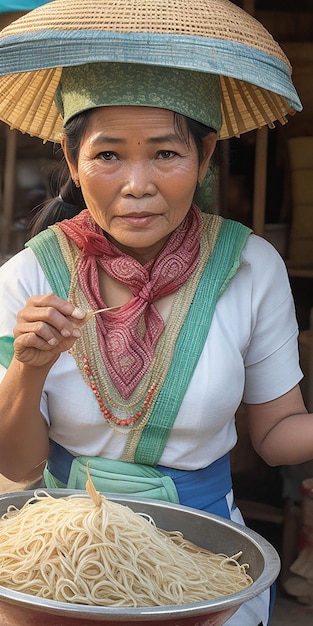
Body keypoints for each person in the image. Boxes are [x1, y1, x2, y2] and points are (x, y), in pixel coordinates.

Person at [0, 0, 310, 624]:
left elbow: (277, 437)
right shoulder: (29, 276)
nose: (136, 184)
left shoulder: (250, 268)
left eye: (166, 154)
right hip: (60, 555)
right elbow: (17, 464)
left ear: (205, 156)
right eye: (109, 154)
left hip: (205, 555)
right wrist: (29, 369)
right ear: (71, 158)